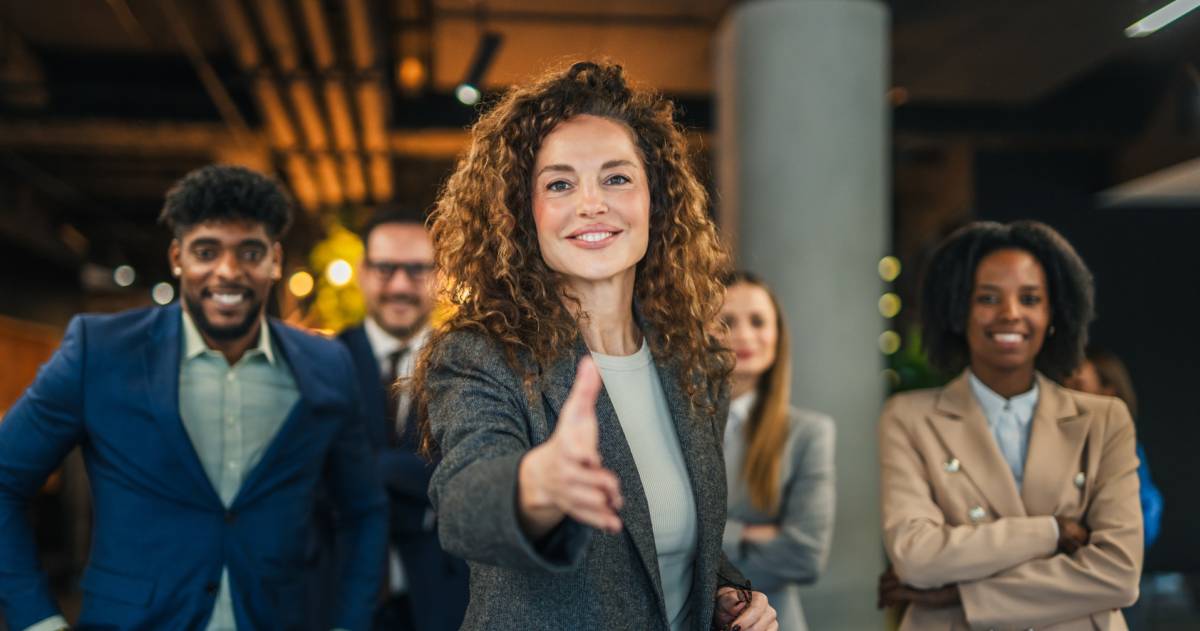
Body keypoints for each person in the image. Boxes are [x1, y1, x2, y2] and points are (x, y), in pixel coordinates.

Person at [413, 61, 778, 630]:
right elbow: (462, 507)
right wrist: (536, 484)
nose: (591, 204)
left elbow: (670, 539)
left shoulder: (694, 362)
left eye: (616, 178)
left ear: (654, 199)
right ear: (521, 212)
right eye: (559, 184)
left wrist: (726, 593)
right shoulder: (482, 355)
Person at [0, 165, 386, 631]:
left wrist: (349, 623)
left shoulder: (327, 364)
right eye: (207, 251)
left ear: (276, 260)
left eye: (250, 251)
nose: (228, 271)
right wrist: (36, 619)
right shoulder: (99, 351)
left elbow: (363, 511)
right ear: (177, 257)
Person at [877, 220, 1142, 629]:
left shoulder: (1104, 420)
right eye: (987, 297)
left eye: (1031, 298)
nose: (1010, 314)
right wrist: (1052, 532)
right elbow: (915, 558)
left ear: (1054, 313)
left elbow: (1119, 574)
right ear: (956, 309)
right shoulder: (908, 416)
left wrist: (963, 593)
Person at [336, 205, 468, 630]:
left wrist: (368, 470)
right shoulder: (320, 361)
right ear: (362, 271)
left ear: (441, 275)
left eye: (416, 269)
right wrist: (426, 480)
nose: (399, 285)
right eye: (385, 268)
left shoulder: (472, 366)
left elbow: (474, 477)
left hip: (446, 602)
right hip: (342, 597)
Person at [719, 271, 836, 631]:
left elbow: (805, 556)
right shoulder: (677, 427)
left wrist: (712, 540)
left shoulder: (809, 433)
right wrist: (751, 533)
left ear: (777, 336)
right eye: (726, 322)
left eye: (757, 321)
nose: (744, 335)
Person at [1064, 347, 1163, 551]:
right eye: (1063, 387)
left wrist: (1090, 536)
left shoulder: (1123, 448)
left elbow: (1145, 521)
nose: (1066, 397)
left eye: (1078, 386)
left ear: (1109, 391)